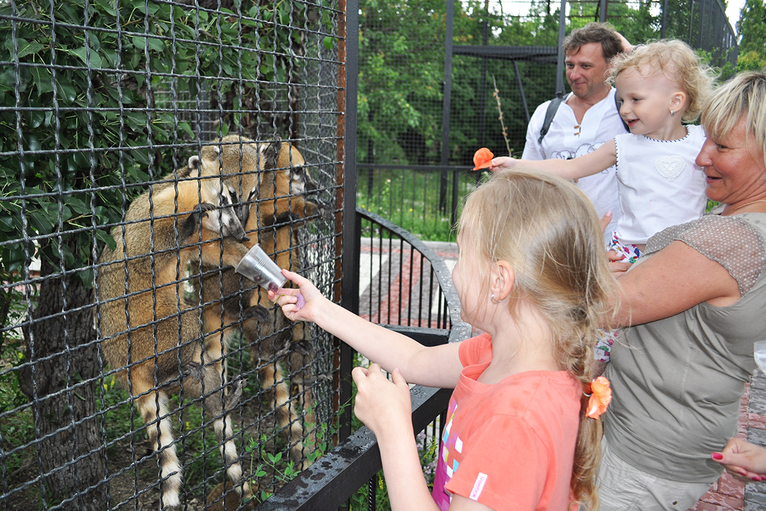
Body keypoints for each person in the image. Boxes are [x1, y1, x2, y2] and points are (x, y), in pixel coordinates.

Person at [271, 171, 616, 510]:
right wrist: (320, 310)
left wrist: (392, 429)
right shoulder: (501, 356)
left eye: (463, 254)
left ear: (499, 281)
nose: (455, 269)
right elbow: (414, 360)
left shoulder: (515, 423)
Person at [594, 71, 766, 509]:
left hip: (643, 453)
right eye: (706, 139)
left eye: (722, 147)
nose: (701, 157)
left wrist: (581, 258)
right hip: (688, 439)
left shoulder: (731, 241)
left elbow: (605, 307)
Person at [494, 39, 714, 368]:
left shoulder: (702, 142)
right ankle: (588, 392)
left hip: (681, 255)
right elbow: (571, 168)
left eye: (635, 99)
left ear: (676, 101)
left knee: (669, 333)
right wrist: (518, 165)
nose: (624, 109)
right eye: (622, 99)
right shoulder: (623, 145)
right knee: (602, 338)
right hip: (629, 253)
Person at [521, 22, 629, 244]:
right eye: (570, 65)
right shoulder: (545, 114)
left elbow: (667, 74)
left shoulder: (628, 108)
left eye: (586, 66)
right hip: (556, 240)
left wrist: (629, 50)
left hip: (616, 241)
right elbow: (527, 177)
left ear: (612, 65)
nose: (574, 74)